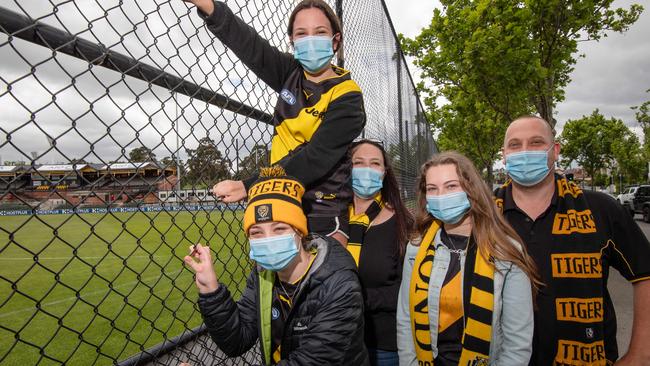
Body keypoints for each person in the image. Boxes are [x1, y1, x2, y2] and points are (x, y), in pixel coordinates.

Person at [184, 0, 366, 244]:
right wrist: (207, 4)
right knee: (275, 278)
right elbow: (250, 45)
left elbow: (316, 157)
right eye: (301, 33)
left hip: (323, 208)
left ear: (335, 40)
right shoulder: (290, 72)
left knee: (325, 276)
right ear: (292, 41)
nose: (310, 40)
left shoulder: (349, 96)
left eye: (320, 32)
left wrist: (249, 185)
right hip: (280, 200)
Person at [496, 116, 650, 365]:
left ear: (554, 150)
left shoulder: (600, 210)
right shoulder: (484, 215)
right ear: (504, 154)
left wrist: (641, 354)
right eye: (515, 145)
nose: (524, 152)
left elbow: (645, 273)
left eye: (536, 142)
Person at [183, 166, 368, 365]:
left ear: (300, 232)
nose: (268, 240)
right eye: (256, 233)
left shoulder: (340, 284)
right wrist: (211, 290)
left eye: (279, 229)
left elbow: (311, 361)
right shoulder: (263, 275)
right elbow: (237, 341)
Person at [397, 151, 539, 365]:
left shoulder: (506, 252)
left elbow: (517, 344)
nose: (441, 195)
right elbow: (406, 320)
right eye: (432, 189)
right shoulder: (416, 248)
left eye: (451, 186)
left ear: (471, 189)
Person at [348, 139, 413, 366]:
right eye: (359, 162)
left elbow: (408, 290)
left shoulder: (403, 223)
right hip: (334, 339)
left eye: (374, 163)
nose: (367, 169)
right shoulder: (332, 220)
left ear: (384, 173)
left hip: (382, 344)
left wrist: (355, 299)